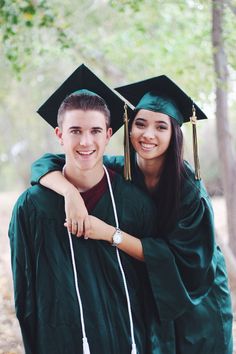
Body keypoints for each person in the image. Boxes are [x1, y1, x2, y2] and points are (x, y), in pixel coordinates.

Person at [31, 73, 233, 353]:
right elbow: (46, 163)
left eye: (160, 127)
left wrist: (109, 234)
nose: (148, 135)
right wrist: (69, 193)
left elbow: (184, 262)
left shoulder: (190, 193)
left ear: (174, 133)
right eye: (140, 124)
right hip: (153, 288)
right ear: (128, 127)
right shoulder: (121, 170)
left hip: (196, 294)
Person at [8, 64, 164, 354]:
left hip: (126, 341)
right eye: (75, 131)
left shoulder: (135, 203)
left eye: (94, 131)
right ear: (59, 135)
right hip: (60, 343)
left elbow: (153, 286)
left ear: (108, 134)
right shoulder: (31, 208)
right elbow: (25, 294)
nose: (85, 141)